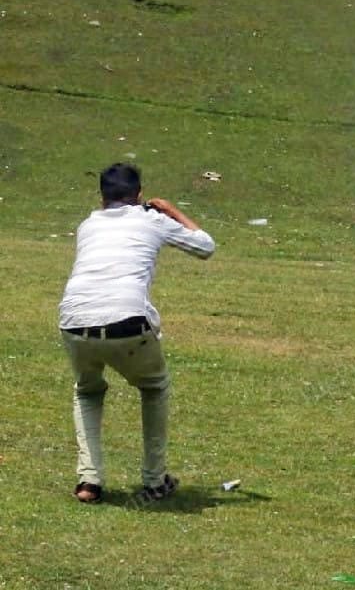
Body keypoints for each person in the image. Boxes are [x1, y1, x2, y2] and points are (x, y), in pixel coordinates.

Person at [59, 163, 215, 504]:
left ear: (101, 196)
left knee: (87, 392)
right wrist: (170, 210)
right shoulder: (151, 219)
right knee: (154, 387)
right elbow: (205, 246)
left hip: (73, 320)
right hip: (127, 319)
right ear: (139, 195)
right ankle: (155, 479)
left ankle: (89, 482)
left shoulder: (88, 225)